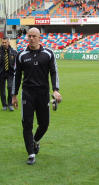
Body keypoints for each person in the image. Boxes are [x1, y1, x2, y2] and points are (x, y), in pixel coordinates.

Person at [12, 27, 62, 165]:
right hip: (27, 93)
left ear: (40, 37)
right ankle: (31, 153)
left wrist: (56, 90)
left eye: (34, 36)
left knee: (44, 124)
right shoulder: (21, 54)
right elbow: (17, 76)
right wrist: (14, 95)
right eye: (29, 36)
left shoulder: (48, 54)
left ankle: (35, 141)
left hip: (43, 93)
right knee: (27, 124)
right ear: (27, 37)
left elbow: (54, 72)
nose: (32, 38)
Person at [0, 37, 17, 111]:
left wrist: (16, 71)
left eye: (5, 42)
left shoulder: (14, 51)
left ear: (8, 43)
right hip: (1, 73)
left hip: (10, 72)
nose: (4, 44)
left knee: (10, 87)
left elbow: (17, 62)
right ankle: (4, 105)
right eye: (3, 42)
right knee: (2, 89)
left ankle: (10, 104)